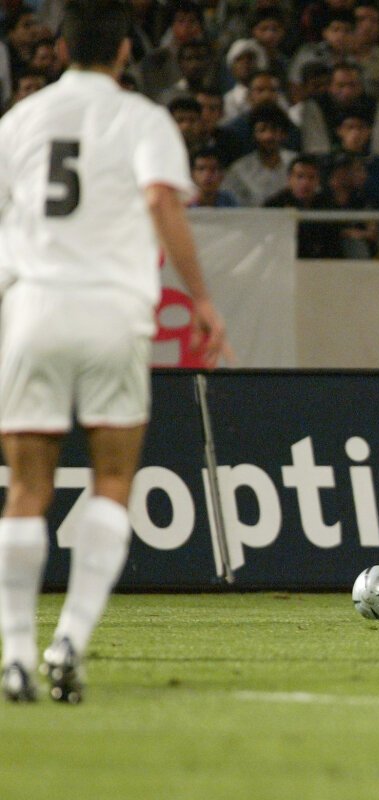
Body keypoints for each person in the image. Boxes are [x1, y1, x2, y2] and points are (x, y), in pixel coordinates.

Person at [0, 0, 228, 704]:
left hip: (34, 307)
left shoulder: (21, 120)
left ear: (61, 47)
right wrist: (202, 299)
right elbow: (161, 200)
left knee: (26, 489)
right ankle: (69, 640)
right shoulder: (143, 120)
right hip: (112, 313)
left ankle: (15, 655)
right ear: (127, 51)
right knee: (113, 479)